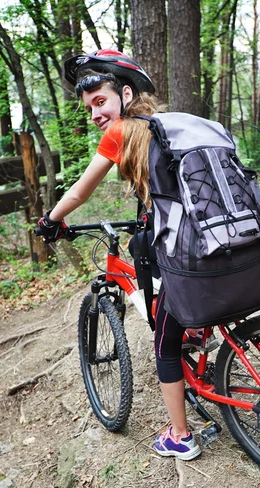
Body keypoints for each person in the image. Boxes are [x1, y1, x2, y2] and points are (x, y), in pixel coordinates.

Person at [39, 50, 216, 461]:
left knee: (163, 345)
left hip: (183, 248)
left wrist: (50, 220)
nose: (95, 113)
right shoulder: (166, 125)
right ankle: (200, 341)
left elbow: (81, 190)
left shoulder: (122, 133)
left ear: (125, 92)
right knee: (144, 249)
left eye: (100, 101)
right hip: (212, 237)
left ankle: (179, 436)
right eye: (89, 108)